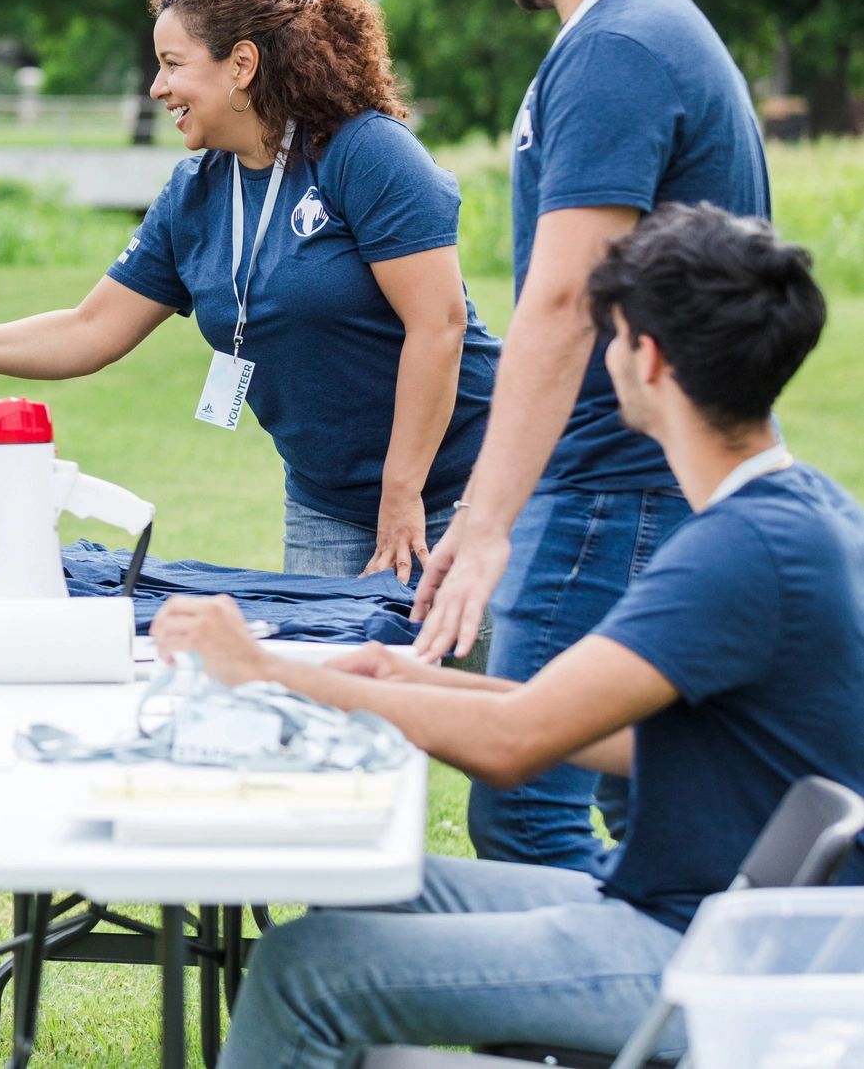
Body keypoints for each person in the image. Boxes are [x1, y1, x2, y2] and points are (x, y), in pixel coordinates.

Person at [154, 204, 864, 1068]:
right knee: (369, 898)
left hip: (699, 955)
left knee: (305, 970)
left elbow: (516, 745)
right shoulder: (804, 510)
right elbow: (615, 731)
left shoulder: (736, 551)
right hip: (702, 916)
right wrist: (402, 678)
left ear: (645, 357)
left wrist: (265, 670)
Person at [407, 0, 772, 871]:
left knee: (529, 805)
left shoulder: (617, 47)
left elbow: (566, 298)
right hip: (642, 481)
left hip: (611, 487)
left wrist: (483, 520)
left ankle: (613, 1027)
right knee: (652, 806)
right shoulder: (652, 29)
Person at [0, 0, 499, 582]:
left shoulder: (364, 153)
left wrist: (402, 497)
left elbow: (439, 325)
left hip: (464, 483)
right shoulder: (194, 193)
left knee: (470, 676)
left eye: (173, 64)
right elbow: (89, 327)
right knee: (326, 673)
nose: (157, 87)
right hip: (328, 504)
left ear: (241, 65)